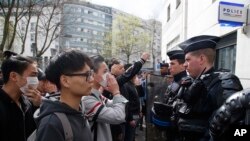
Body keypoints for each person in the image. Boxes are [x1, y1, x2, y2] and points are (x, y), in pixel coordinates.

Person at [175, 35, 243, 141]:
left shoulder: (224, 82)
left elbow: (236, 129)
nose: (184, 65)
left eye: (188, 60)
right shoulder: (190, 81)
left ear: (202, 59)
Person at [35, 50, 93, 141]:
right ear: (65, 81)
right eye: (87, 75)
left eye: (91, 73)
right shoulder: (51, 124)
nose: (91, 79)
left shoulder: (80, 111)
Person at [82, 55, 128, 141]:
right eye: (105, 71)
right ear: (92, 74)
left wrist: (114, 92)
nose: (109, 75)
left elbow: (115, 104)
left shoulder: (97, 95)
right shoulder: (87, 99)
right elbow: (118, 116)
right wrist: (116, 92)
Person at [0, 52, 42, 141]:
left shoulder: (27, 103)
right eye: (33, 75)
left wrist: (37, 107)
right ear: (14, 76)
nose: (36, 80)